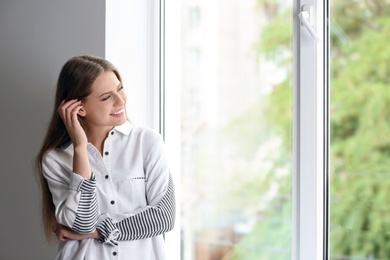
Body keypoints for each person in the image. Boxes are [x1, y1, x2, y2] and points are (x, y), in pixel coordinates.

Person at [35, 55, 175, 260]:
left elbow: (163, 218)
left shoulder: (147, 142)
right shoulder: (55, 159)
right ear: (79, 108)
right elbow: (81, 223)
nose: (121, 100)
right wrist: (80, 149)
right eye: (106, 97)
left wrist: (96, 231)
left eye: (119, 88)